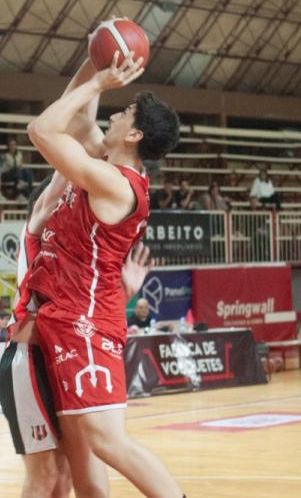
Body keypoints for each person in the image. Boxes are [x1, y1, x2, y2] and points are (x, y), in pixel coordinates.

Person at [25, 51, 184, 498]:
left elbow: (41, 130)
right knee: (83, 461)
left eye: (125, 112)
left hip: (85, 323)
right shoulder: (107, 165)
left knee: (107, 441)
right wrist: (95, 55)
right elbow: (74, 115)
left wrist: (97, 84)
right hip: (69, 320)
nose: (114, 113)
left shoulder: (116, 182)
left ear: (133, 134)